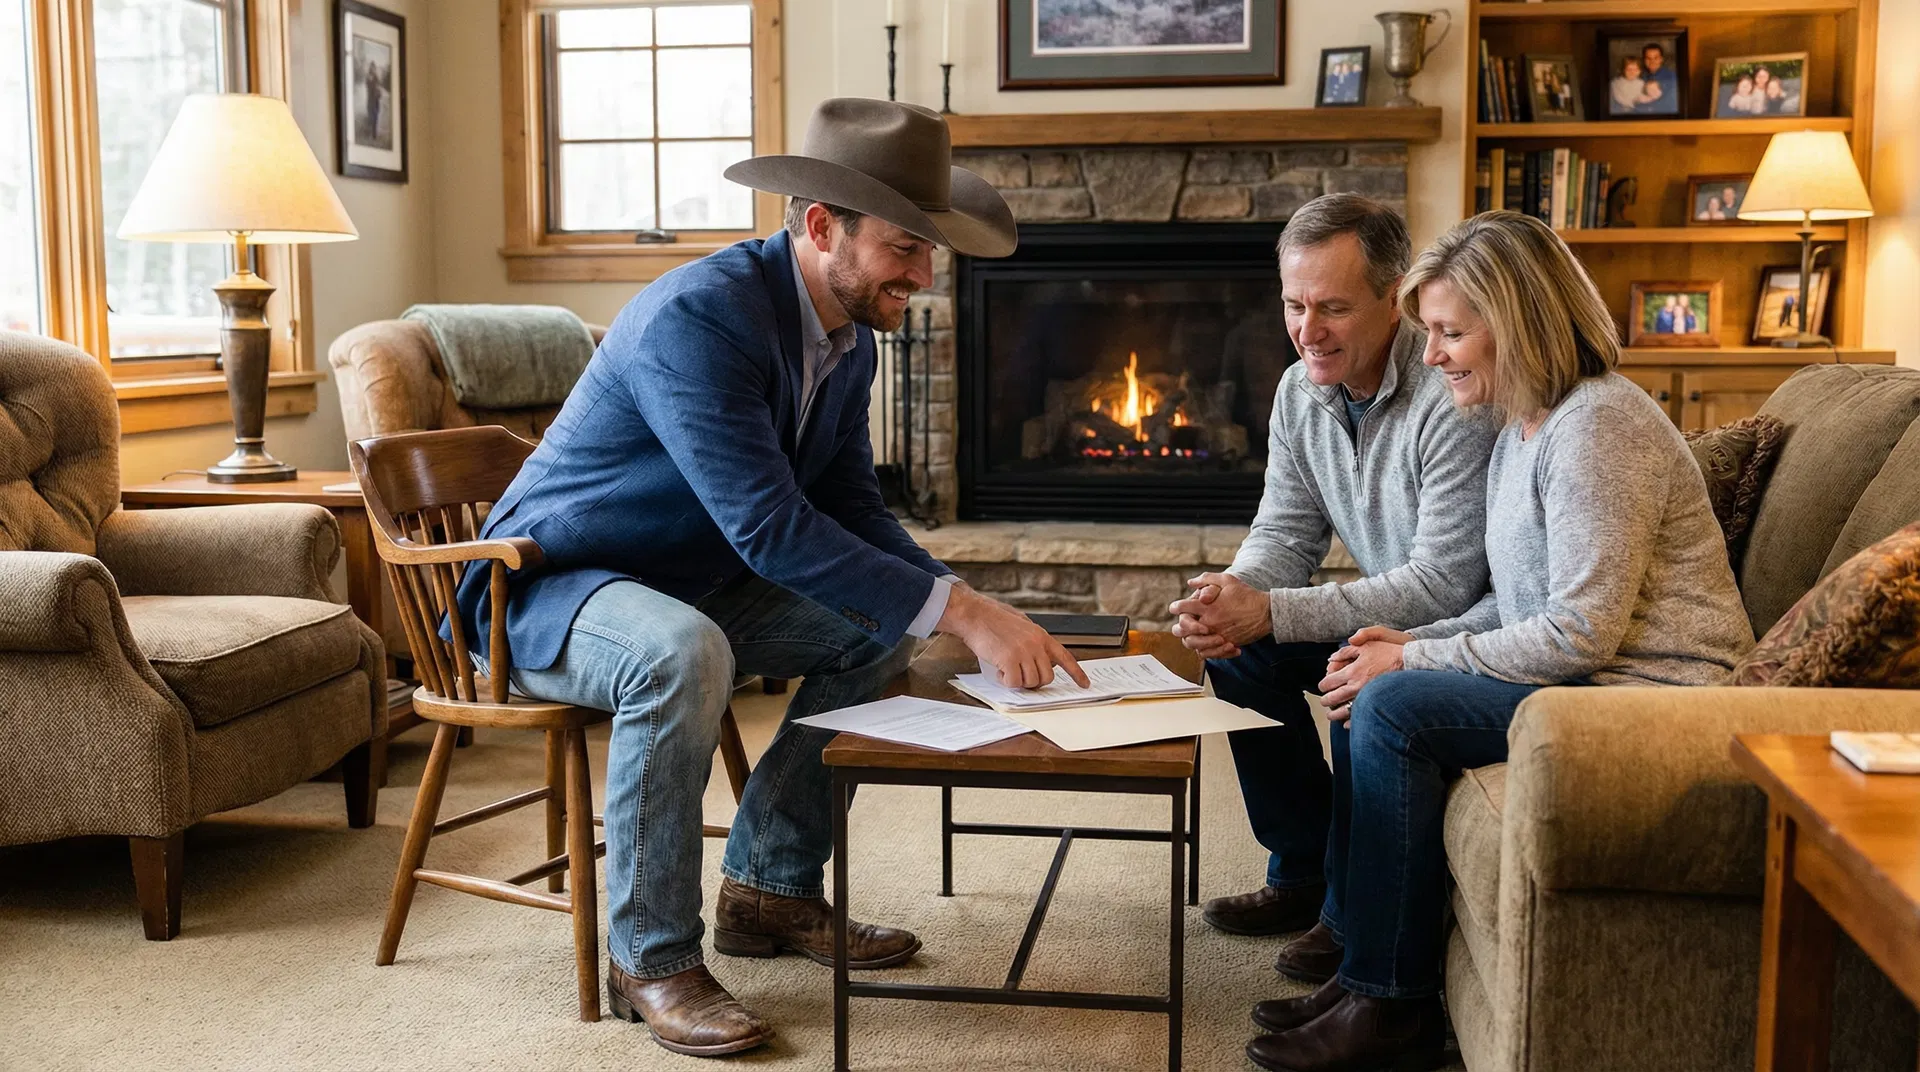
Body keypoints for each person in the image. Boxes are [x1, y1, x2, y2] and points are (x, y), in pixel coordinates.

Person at [451, 98, 1090, 1058]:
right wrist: (965, 608)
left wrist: (958, 603)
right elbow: (768, 524)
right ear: (822, 227)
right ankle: (651, 960)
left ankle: (769, 889)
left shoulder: (851, 339)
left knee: (874, 627)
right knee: (680, 652)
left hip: (690, 581)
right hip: (551, 587)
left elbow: (853, 511)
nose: (924, 276)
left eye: (930, 252)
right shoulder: (698, 317)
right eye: (906, 248)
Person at [1243, 210, 1752, 1072]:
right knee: (1368, 672)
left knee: (1396, 703)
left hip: (1658, 698)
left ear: (1515, 325)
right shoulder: (1526, 427)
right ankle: (1362, 965)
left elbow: (1580, 632)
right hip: (1594, 677)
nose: (1431, 353)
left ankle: (1390, 1007)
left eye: (1448, 332)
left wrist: (1414, 658)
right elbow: (1512, 605)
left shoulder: (1598, 426)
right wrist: (1397, 640)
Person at [1166, 194, 1496, 984]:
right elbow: (1286, 532)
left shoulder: (1450, 394)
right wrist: (1234, 592)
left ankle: (1350, 907)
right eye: (1293, 304)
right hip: (1387, 605)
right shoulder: (1298, 391)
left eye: (1334, 308)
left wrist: (1273, 609)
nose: (1308, 330)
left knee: (1353, 679)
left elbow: (1445, 582)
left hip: (1451, 627)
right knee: (1241, 655)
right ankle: (1303, 871)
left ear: (1396, 297)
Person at [1640, 42, 1678, 109]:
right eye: (1648, 58)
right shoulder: (1640, 77)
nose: (1652, 61)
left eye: (1656, 58)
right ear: (1644, 60)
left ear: (1661, 59)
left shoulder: (1672, 77)